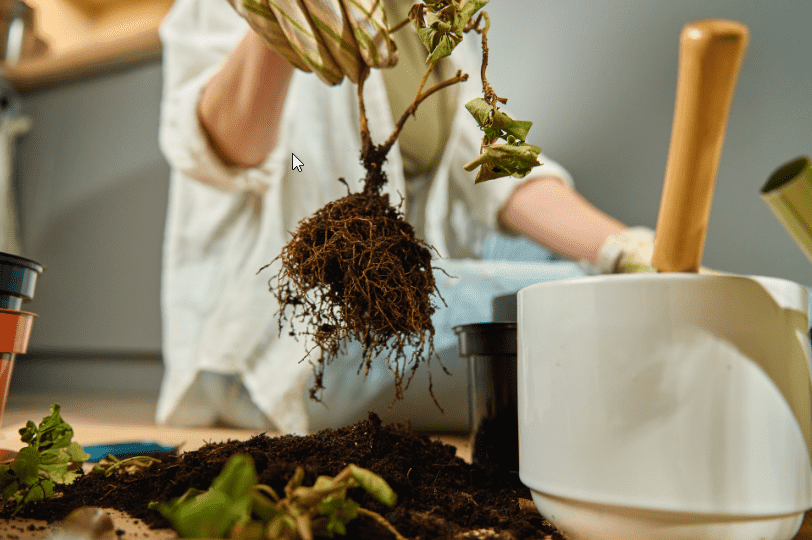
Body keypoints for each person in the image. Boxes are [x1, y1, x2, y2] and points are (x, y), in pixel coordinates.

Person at [156, 0, 656, 434]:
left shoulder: (427, 19)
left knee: (583, 269)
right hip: (295, 337)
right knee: (587, 302)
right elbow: (226, 149)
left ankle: (646, 298)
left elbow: (498, 167)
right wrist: (273, 29)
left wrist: (626, 246)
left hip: (384, 285)